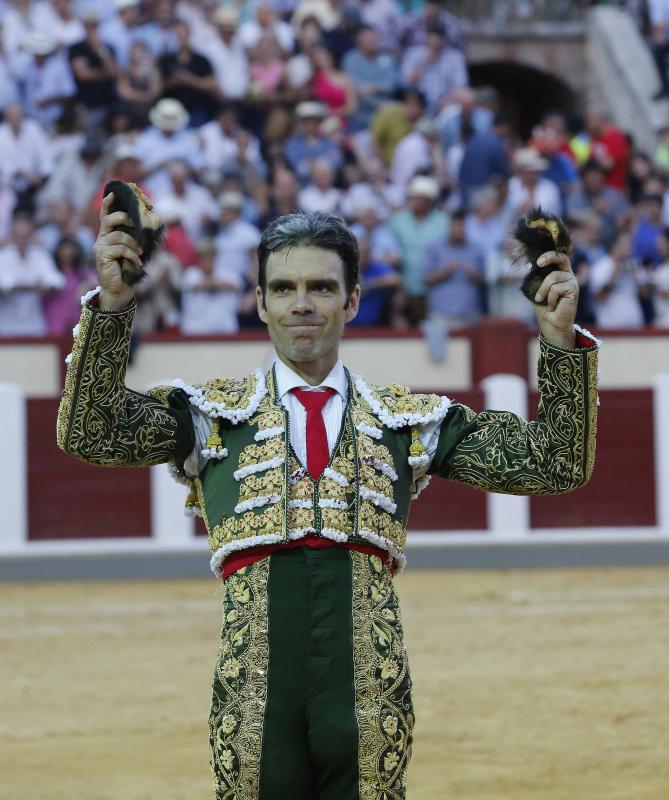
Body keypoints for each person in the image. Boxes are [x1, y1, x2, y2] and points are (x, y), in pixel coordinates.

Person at [57, 200, 599, 798]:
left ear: (353, 300)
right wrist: (111, 308)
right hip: (255, 692)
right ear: (261, 302)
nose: (303, 304)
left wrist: (557, 342)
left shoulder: (404, 420)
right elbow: (92, 430)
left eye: (321, 287)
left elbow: (553, 463)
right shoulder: (212, 415)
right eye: (284, 288)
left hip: (367, 691)